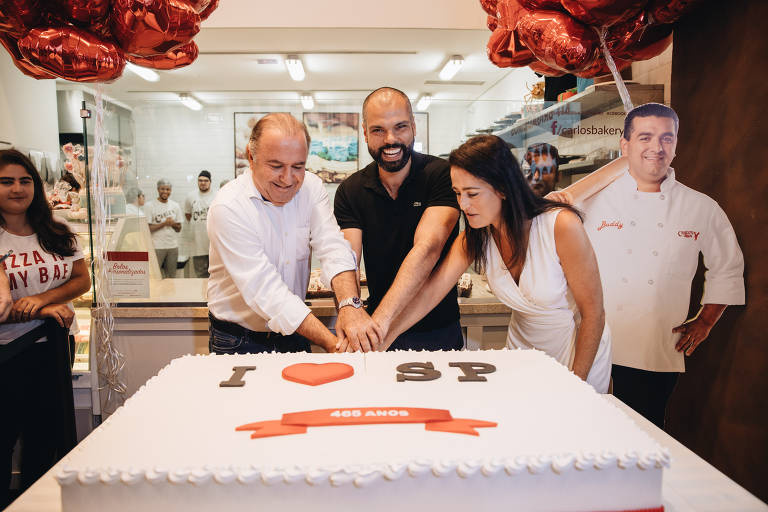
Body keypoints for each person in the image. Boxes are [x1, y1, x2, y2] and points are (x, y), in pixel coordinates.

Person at [379, 135, 612, 392]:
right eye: (457, 193)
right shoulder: (475, 237)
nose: (462, 204)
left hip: (575, 353)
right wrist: (384, 337)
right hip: (522, 353)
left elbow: (594, 314)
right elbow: (429, 294)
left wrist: (577, 383)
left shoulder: (560, 226)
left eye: (472, 193)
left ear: (502, 188)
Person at [579, 103, 745, 427]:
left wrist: (706, 321)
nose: (657, 147)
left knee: (644, 433)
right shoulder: (590, 201)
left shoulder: (700, 207)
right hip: (592, 342)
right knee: (588, 430)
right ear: (625, 145)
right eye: (645, 137)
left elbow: (727, 266)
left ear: (676, 144)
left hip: (654, 348)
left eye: (666, 138)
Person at [206, 113, 380, 354]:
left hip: (295, 332)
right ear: (251, 157)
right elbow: (266, 291)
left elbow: (333, 247)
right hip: (238, 339)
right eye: (276, 166)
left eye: (298, 166)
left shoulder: (311, 187)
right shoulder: (228, 207)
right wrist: (334, 345)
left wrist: (350, 305)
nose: (288, 179)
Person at [334, 87, 463, 352]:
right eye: (378, 130)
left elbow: (428, 248)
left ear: (414, 127)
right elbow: (347, 260)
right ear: (364, 132)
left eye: (400, 127)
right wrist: (350, 308)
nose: (390, 139)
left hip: (437, 331)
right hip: (378, 328)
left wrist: (380, 325)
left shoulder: (442, 175)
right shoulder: (351, 190)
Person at [0, 149, 91, 506]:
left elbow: (81, 279)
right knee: (5, 437)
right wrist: (43, 309)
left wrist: (42, 300)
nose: (17, 189)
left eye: (25, 181)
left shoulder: (56, 230)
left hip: (53, 346)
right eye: (6, 181)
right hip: (8, 351)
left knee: (45, 435)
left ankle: (35, 504)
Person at [146, 179, 182, 278]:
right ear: (158, 189)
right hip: (156, 246)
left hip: (172, 246)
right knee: (155, 276)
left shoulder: (175, 205)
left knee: (171, 276)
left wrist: (172, 224)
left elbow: (179, 228)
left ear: (171, 190)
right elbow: (148, 228)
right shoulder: (150, 205)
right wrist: (164, 224)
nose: (165, 191)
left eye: (168, 189)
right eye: (162, 189)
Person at [184, 170, 214, 277]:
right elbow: (188, 215)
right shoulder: (190, 196)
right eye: (200, 180)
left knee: (215, 274)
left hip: (213, 243)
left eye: (206, 180)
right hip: (197, 243)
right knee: (201, 275)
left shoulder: (216, 195)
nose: (203, 183)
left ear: (210, 182)